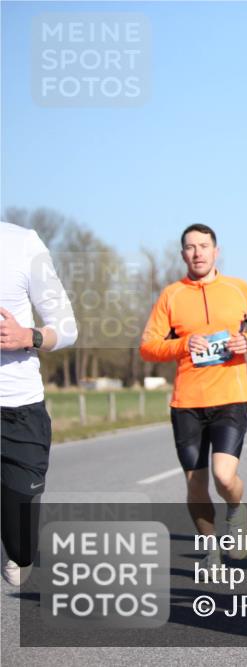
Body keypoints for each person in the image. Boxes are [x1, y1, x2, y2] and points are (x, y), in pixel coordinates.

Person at [140, 224, 247, 565]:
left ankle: (236, 509)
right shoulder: (171, 295)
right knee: (196, 485)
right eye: (190, 247)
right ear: (182, 254)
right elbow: (148, 346)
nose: (197, 252)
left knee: (224, 476)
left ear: (216, 251)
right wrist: (183, 344)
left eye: (204, 246)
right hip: (187, 403)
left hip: (230, 396)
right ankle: (210, 549)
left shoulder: (238, 289)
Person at [0, 222, 78, 587]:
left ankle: (19, 549)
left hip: (18, 410)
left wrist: (26, 337)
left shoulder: (21, 243)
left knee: (20, 548)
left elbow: (67, 327)